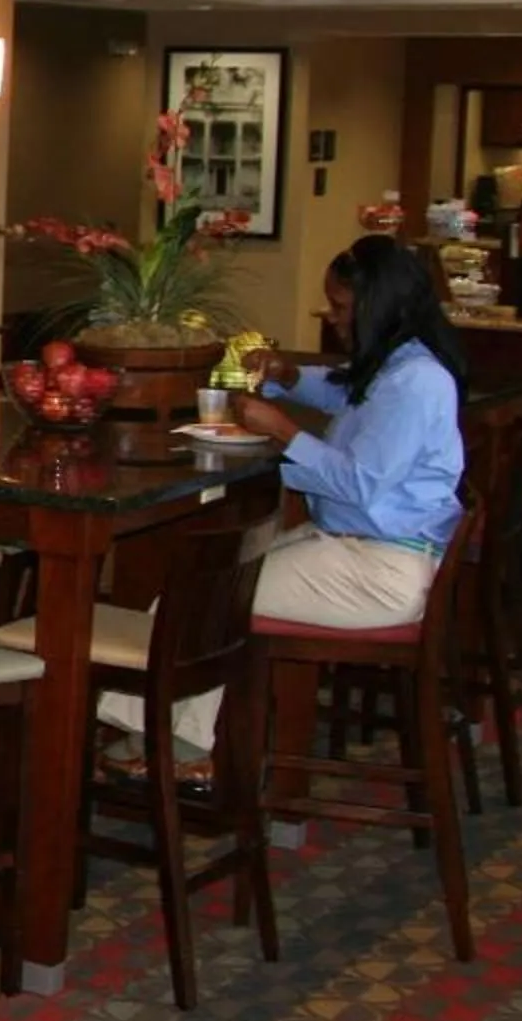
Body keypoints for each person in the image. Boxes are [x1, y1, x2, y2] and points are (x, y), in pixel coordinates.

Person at [111, 234, 466, 772]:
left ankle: (168, 744)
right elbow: (346, 393)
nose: (335, 318)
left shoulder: (417, 382)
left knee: (204, 598)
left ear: (378, 305)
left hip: (382, 566)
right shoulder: (401, 364)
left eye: (344, 308)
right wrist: (288, 376)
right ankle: (159, 737)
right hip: (370, 548)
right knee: (210, 580)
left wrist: (282, 431)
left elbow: (358, 484)